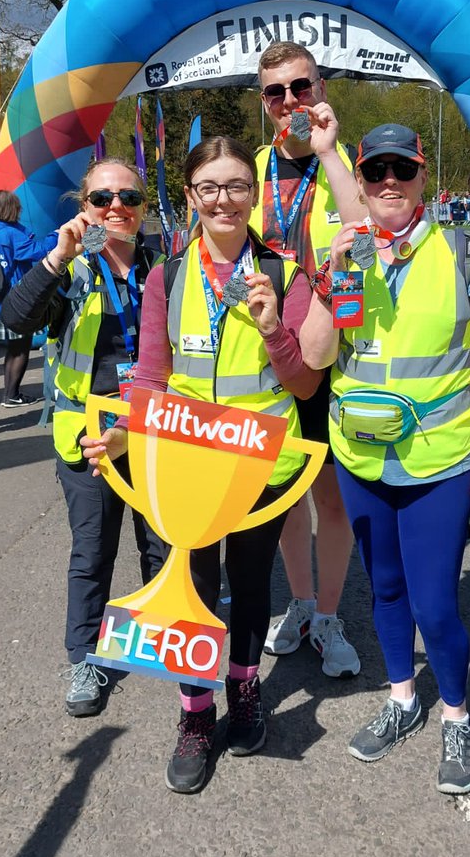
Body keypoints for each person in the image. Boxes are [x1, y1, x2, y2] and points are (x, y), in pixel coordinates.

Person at [83, 137, 322, 794]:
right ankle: (195, 713)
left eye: (237, 185)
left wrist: (275, 327)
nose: (224, 199)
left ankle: (244, 692)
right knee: (188, 591)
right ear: (191, 197)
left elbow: (303, 387)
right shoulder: (169, 276)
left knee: (248, 589)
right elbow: (153, 377)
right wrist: (123, 436)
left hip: (258, 471)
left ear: (254, 194)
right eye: (210, 187)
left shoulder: (286, 273)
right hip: (186, 467)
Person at [300, 124, 470, 794]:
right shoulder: (349, 253)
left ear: (423, 176)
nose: (388, 182)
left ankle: (455, 714)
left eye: (402, 169)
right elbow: (313, 358)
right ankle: (403, 697)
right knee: (385, 590)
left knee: (435, 603)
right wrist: (332, 273)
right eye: (375, 172)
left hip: (439, 458)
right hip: (361, 456)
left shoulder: (460, 248)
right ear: (361, 183)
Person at [2, 158, 166, 717]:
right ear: (83, 207)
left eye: (128, 197)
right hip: (89, 437)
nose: (116, 206)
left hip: (151, 428)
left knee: (161, 541)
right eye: (102, 198)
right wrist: (56, 256)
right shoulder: (69, 268)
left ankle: (159, 634)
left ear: (144, 207)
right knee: (93, 548)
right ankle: (85, 654)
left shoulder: (165, 267)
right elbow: (15, 321)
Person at [252, 40, 363, 679]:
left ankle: (328, 614)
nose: (292, 101)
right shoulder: (252, 169)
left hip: (331, 356)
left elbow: (370, 240)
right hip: (267, 353)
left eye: (302, 87)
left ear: (320, 88)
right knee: (286, 495)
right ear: (264, 102)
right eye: (277, 92)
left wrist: (327, 154)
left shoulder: (347, 163)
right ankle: (297, 603)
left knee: (332, 499)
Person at [0, 189, 58, 406]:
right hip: (15, 301)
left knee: (12, 349)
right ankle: (12, 395)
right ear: (11, 209)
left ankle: (10, 393)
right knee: (21, 349)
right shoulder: (12, 234)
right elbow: (39, 251)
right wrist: (57, 235)